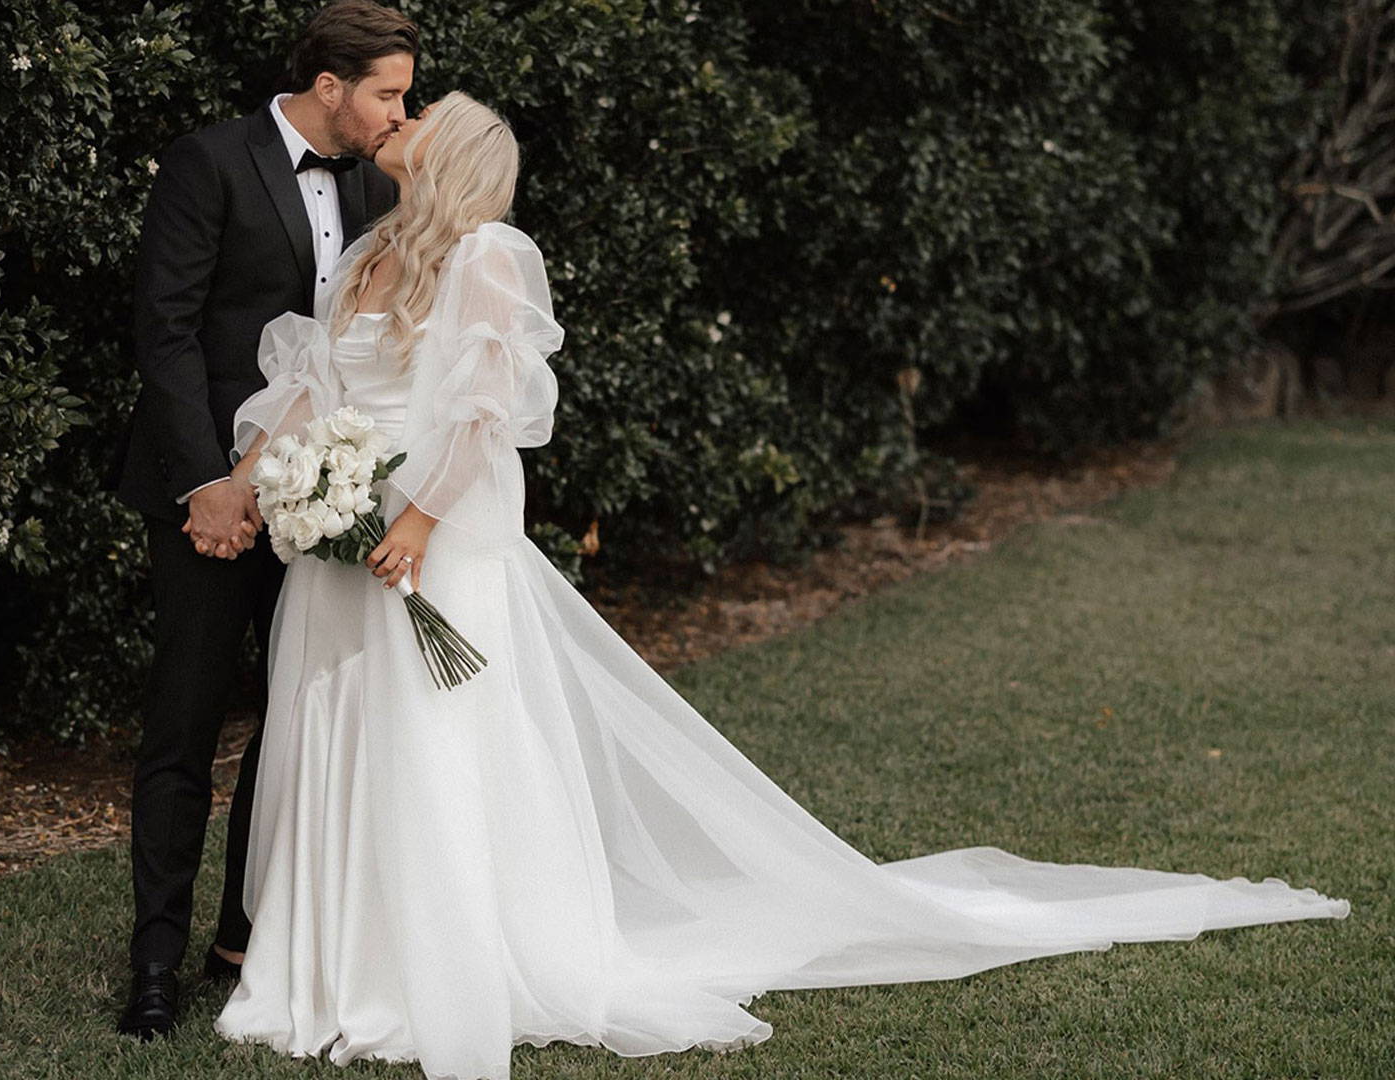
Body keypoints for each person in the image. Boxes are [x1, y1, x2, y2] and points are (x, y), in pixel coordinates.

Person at [209, 91, 1352, 1080]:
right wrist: (280, 485)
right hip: (346, 533)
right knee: (342, 722)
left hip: (441, 526)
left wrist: (411, 516)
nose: (397, 122)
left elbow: (488, 413)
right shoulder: (365, 255)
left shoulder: (492, 257)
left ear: (455, 154)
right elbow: (311, 386)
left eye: (422, 115)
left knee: (434, 731)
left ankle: (445, 956)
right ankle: (334, 955)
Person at [112, 0, 416, 1040]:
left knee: (298, 722)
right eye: (387, 92)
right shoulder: (210, 161)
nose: (399, 110)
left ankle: (245, 936)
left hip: (322, 500)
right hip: (207, 495)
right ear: (330, 87)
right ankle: (153, 964)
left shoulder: (383, 182)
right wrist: (208, 482)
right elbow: (166, 332)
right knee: (184, 726)